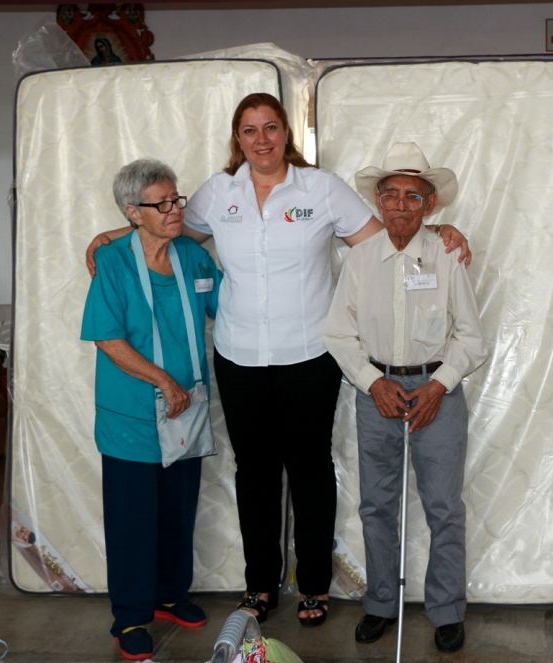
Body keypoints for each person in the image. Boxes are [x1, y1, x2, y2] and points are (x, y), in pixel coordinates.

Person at [85, 92, 471, 627]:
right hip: (239, 355)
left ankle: (314, 586)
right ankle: (260, 586)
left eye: (270, 127)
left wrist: (442, 233)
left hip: (310, 354)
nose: (261, 139)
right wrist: (114, 235)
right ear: (237, 139)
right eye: (249, 130)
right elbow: (164, 225)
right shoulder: (220, 193)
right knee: (256, 474)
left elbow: (387, 241)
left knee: (311, 469)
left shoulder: (322, 188)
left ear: (286, 132)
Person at [323, 142, 487, 654]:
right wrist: (373, 382)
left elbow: (471, 338)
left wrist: (440, 385)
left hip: (439, 391)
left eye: (411, 196)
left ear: (429, 205)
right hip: (377, 393)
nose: (399, 205)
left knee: (443, 506)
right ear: (376, 199)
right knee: (377, 505)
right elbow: (338, 335)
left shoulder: (448, 253)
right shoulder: (359, 259)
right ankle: (379, 605)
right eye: (389, 194)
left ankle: (446, 610)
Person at [82, 159, 219, 660]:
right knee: (133, 519)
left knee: (177, 512)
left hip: (185, 412)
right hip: (132, 418)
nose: (174, 209)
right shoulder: (113, 261)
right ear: (132, 213)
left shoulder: (192, 256)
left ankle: (170, 595)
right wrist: (164, 381)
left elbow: (225, 309)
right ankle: (131, 617)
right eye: (160, 204)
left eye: (176, 199)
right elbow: (107, 338)